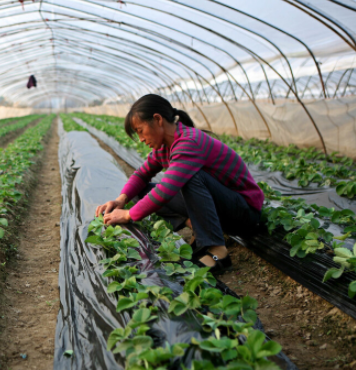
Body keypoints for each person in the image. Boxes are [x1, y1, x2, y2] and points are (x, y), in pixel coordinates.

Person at [94, 94, 264, 273]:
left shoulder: (188, 142)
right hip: (221, 207)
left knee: (190, 178)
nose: (141, 139)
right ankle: (196, 225)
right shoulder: (165, 147)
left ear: (158, 119)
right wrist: (121, 199)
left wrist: (128, 215)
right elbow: (141, 174)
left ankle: (218, 252)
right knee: (140, 191)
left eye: (140, 130)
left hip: (244, 212)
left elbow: (166, 190)